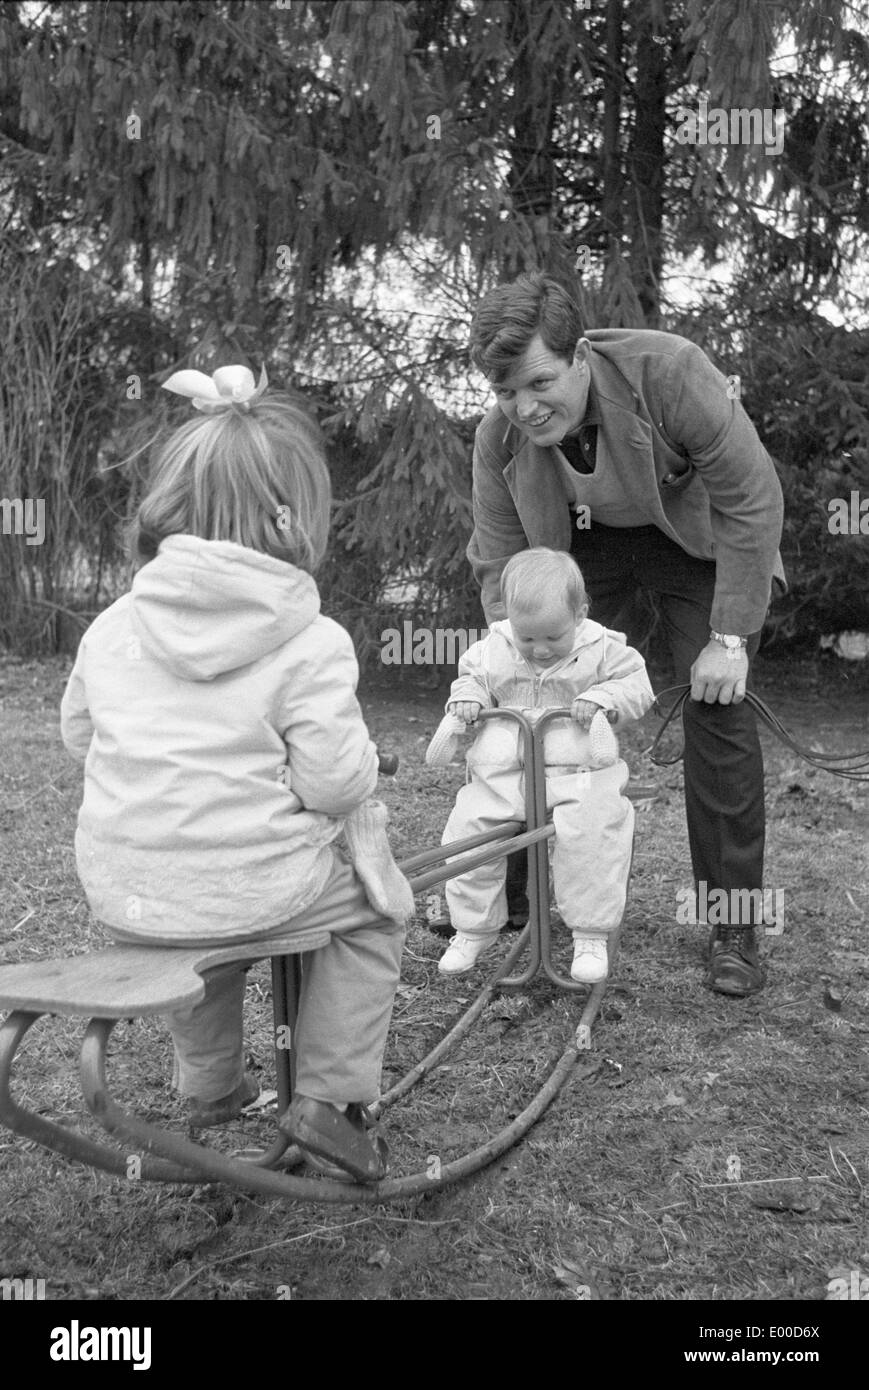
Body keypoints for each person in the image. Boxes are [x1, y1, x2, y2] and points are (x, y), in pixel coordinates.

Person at [59, 365, 411, 1183]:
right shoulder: (310, 638)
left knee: (197, 941)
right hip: (251, 887)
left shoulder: (113, 625)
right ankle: (329, 1097)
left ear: (172, 505)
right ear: (291, 517)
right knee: (373, 912)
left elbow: (82, 733)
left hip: (129, 893)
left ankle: (211, 1087)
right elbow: (331, 783)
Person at [465, 273, 786, 997]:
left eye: (539, 381)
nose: (523, 406)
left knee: (716, 713)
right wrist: (506, 653)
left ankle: (732, 925)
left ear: (579, 355)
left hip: (691, 540)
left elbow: (752, 498)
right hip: (581, 549)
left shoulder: (668, 372)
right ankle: (509, 893)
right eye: (505, 391)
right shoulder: (499, 438)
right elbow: (498, 556)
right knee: (529, 701)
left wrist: (728, 639)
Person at [428, 548, 654, 982]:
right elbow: (470, 677)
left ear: (580, 613)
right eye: (527, 638)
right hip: (504, 774)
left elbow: (637, 686)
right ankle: (473, 928)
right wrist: (470, 697)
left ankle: (589, 932)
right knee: (468, 830)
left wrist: (602, 698)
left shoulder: (602, 647)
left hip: (579, 772)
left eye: (553, 636)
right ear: (509, 617)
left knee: (594, 833)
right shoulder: (493, 648)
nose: (541, 650)